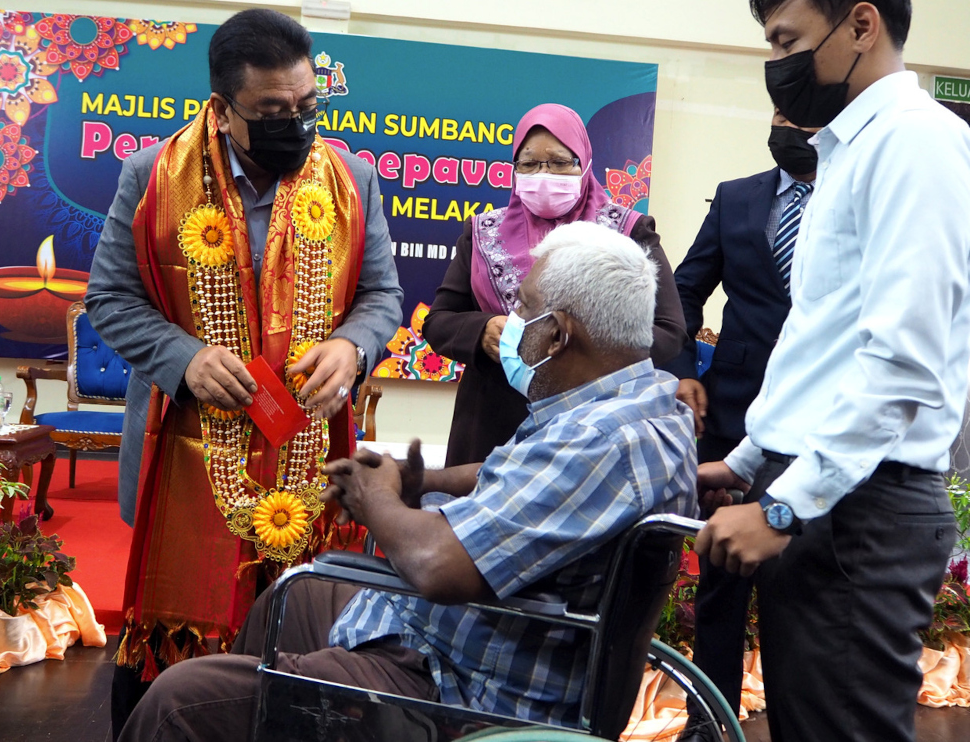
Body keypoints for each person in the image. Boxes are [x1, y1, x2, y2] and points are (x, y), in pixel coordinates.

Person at [117, 220, 699, 742]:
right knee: (293, 599)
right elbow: (524, 478)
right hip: (467, 642)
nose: (510, 322)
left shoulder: (600, 442)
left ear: (560, 334)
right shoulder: (633, 403)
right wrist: (423, 478)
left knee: (179, 703)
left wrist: (377, 498)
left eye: (525, 308)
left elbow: (437, 565)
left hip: (458, 691)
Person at [84, 9, 403, 736]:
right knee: (177, 654)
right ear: (225, 110)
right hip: (188, 455)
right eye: (273, 111)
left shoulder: (352, 178)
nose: (296, 123)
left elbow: (383, 295)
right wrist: (183, 359)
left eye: (307, 106)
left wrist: (353, 347)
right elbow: (108, 296)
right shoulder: (151, 175)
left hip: (308, 454)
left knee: (302, 630)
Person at [695, 2, 970, 741]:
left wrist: (786, 508)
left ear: (860, 24)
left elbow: (901, 361)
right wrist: (748, 462)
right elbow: (819, 342)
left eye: (787, 41)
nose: (777, 64)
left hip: (860, 509)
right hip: (828, 490)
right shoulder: (848, 149)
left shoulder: (915, 142)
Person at [661, 109, 817, 725]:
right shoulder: (734, 198)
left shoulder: (854, 198)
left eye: (799, 117)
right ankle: (708, 722)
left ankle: (792, 721)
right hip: (733, 413)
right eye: (778, 115)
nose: (786, 125)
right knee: (722, 577)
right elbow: (684, 287)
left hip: (817, 419)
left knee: (796, 581)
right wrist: (684, 372)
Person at [422, 103, 686, 467]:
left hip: (596, 426)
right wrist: (480, 331)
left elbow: (670, 332)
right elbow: (439, 321)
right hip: (492, 424)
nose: (543, 174)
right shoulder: (481, 233)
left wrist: (586, 349)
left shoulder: (629, 232)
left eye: (561, 162)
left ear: (585, 163)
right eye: (528, 163)